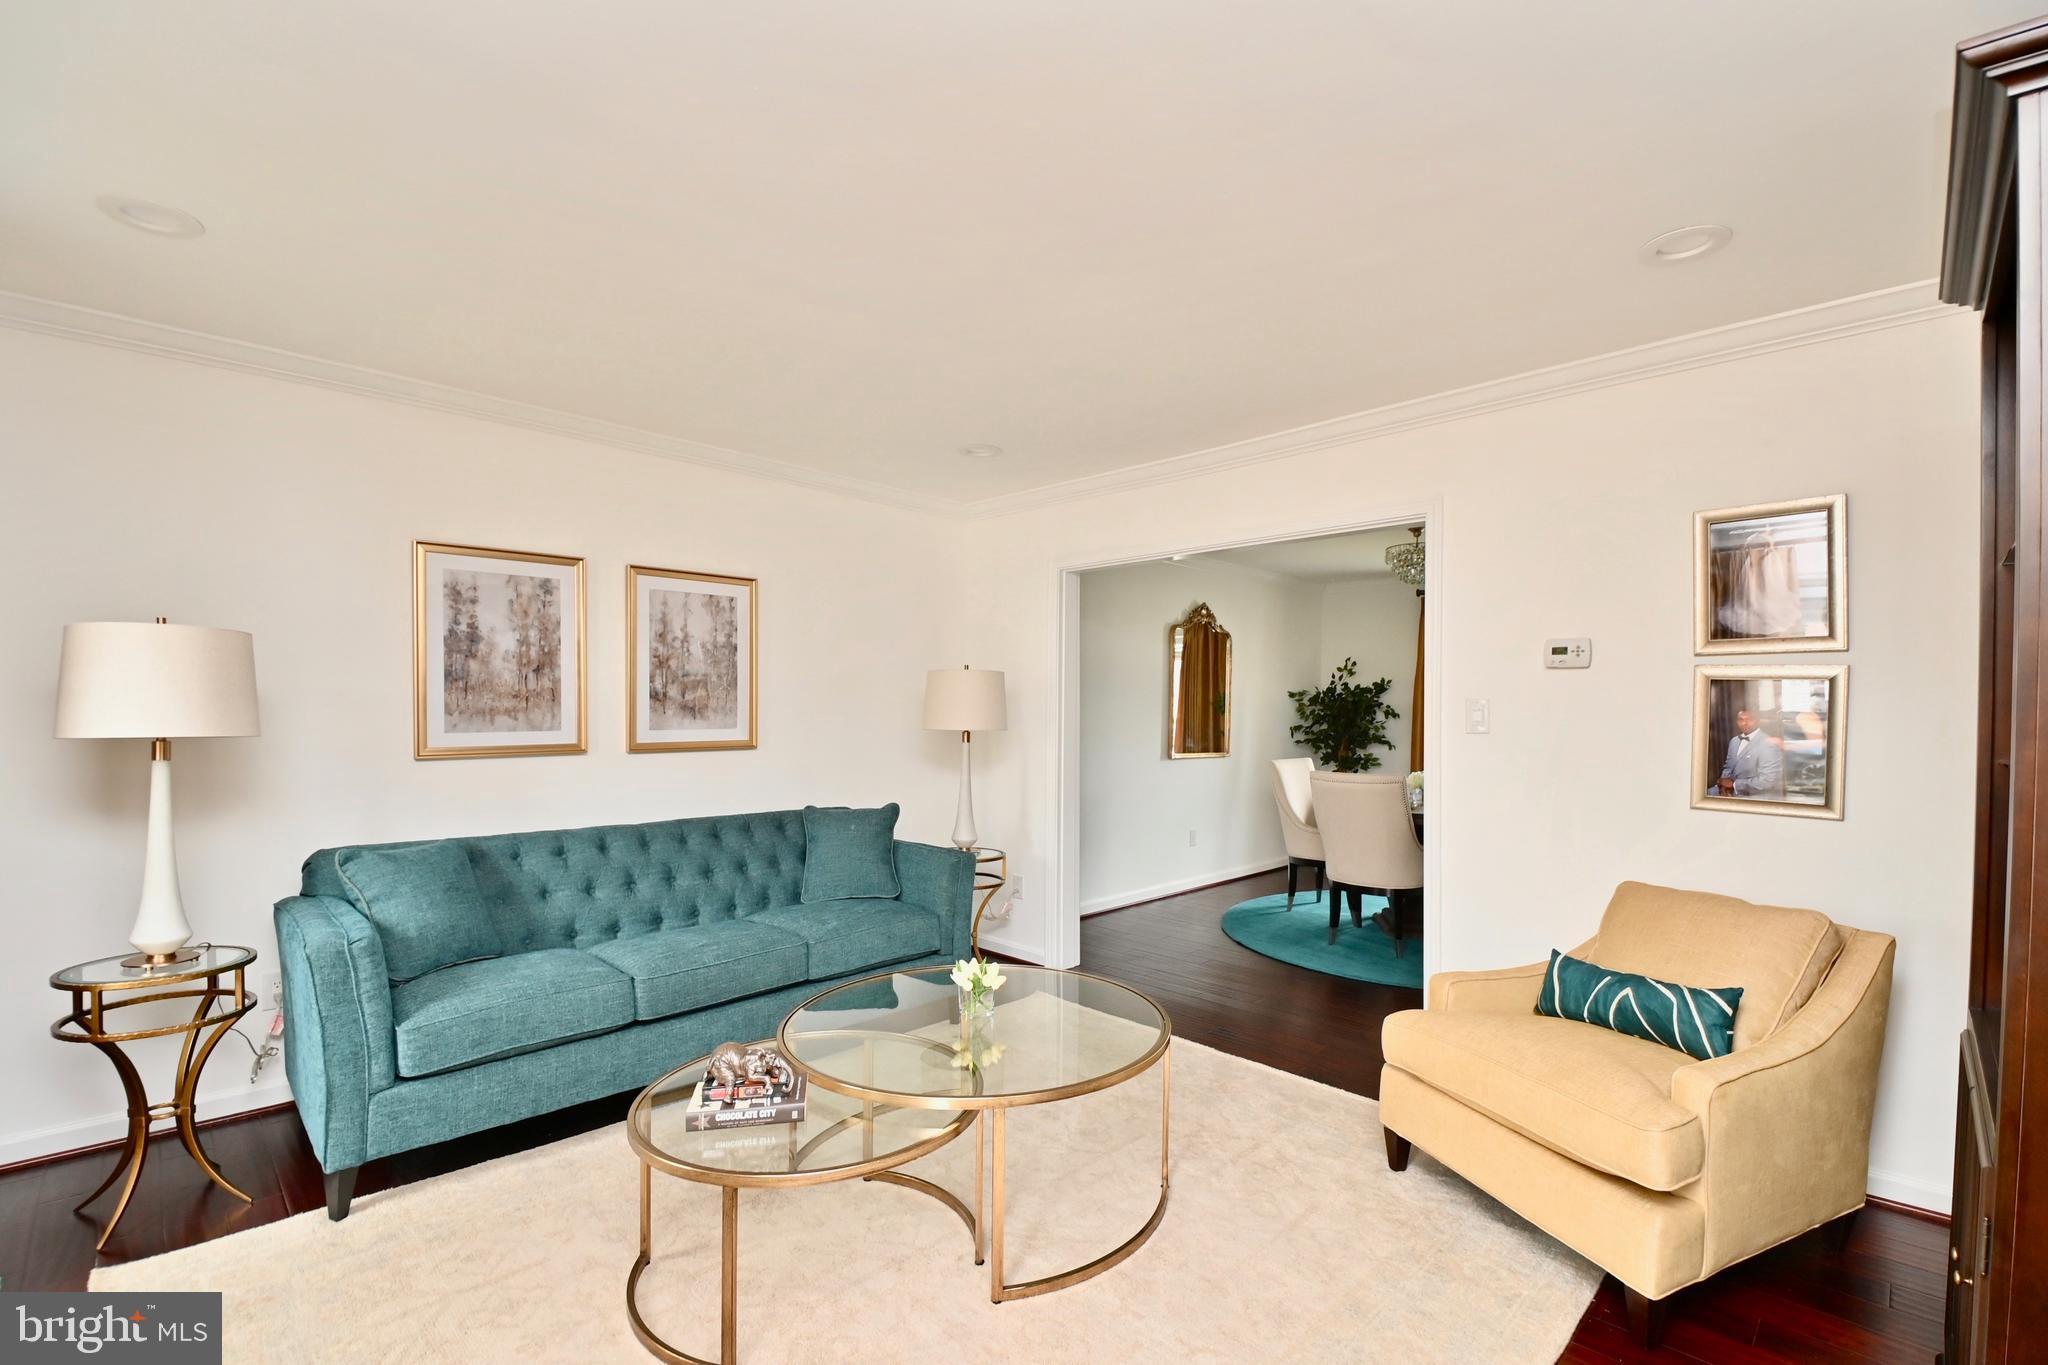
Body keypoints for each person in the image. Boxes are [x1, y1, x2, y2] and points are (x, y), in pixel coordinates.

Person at [1716, 708, 1784, 799]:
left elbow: (1768, 781)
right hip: (1729, 793)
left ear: (1758, 721)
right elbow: (1728, 767)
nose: (1744, 723)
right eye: (1741, 720)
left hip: (1755, 796)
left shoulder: (1769, 743)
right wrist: (1723, 785)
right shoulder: (1734, 741)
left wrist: (1734, 785)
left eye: (1749, 720)